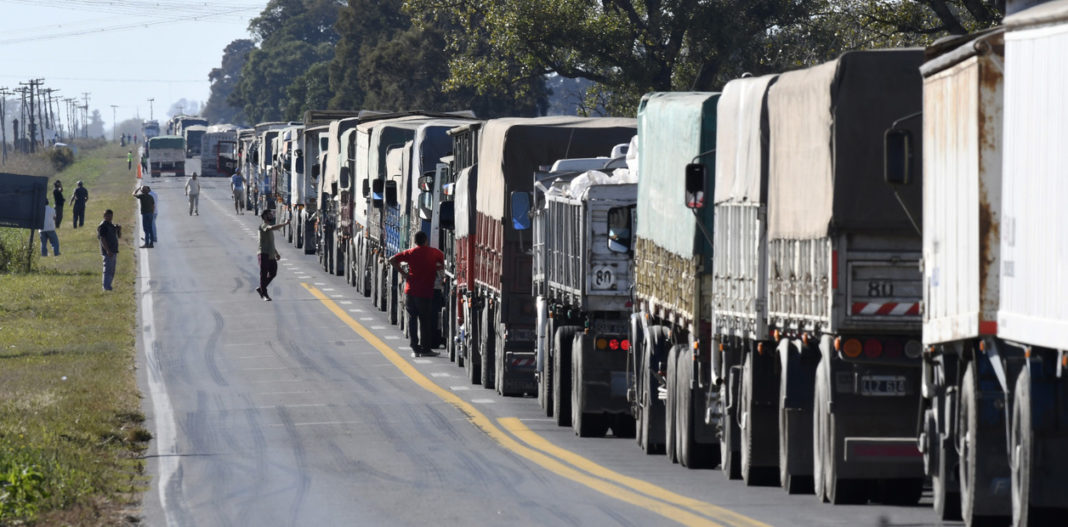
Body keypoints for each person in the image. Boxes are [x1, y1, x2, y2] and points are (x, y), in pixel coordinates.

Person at [389, 231, 445, 357]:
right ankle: (425, 349)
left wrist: (403, 273)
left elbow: (392, 260)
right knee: (425, 321)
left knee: (412, 319)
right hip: (425, 292)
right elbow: (441, 266)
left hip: (410, 291)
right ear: (426, 240)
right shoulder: (434, 252)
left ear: (415, 242)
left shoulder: (410, 252)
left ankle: (414, 347)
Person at [256, 209, 288, 301]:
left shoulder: (268, 227)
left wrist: (276, 253)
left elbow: (271, 243)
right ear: (265, 216)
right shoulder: (263, 226)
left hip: (270, 254)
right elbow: (272, 228)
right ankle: (264, 294)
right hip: (263, 254)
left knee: (273, 272)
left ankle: (261, 288)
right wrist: (284, 224)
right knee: (264, 274)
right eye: (269, 214)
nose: (271, 215)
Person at [97, 209, 120, 291]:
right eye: (107, 215)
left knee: (112, 270)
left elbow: (119, 236)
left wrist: (118, 229)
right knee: (107, 270)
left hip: (113, 250)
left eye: (111, 216)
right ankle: (106, 287)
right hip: (108, 251)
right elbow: (102, 239)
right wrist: (107, 250)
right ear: (104, 216)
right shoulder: (103, 226)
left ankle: (108, 286)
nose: (109, 217)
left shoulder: (110, 225)